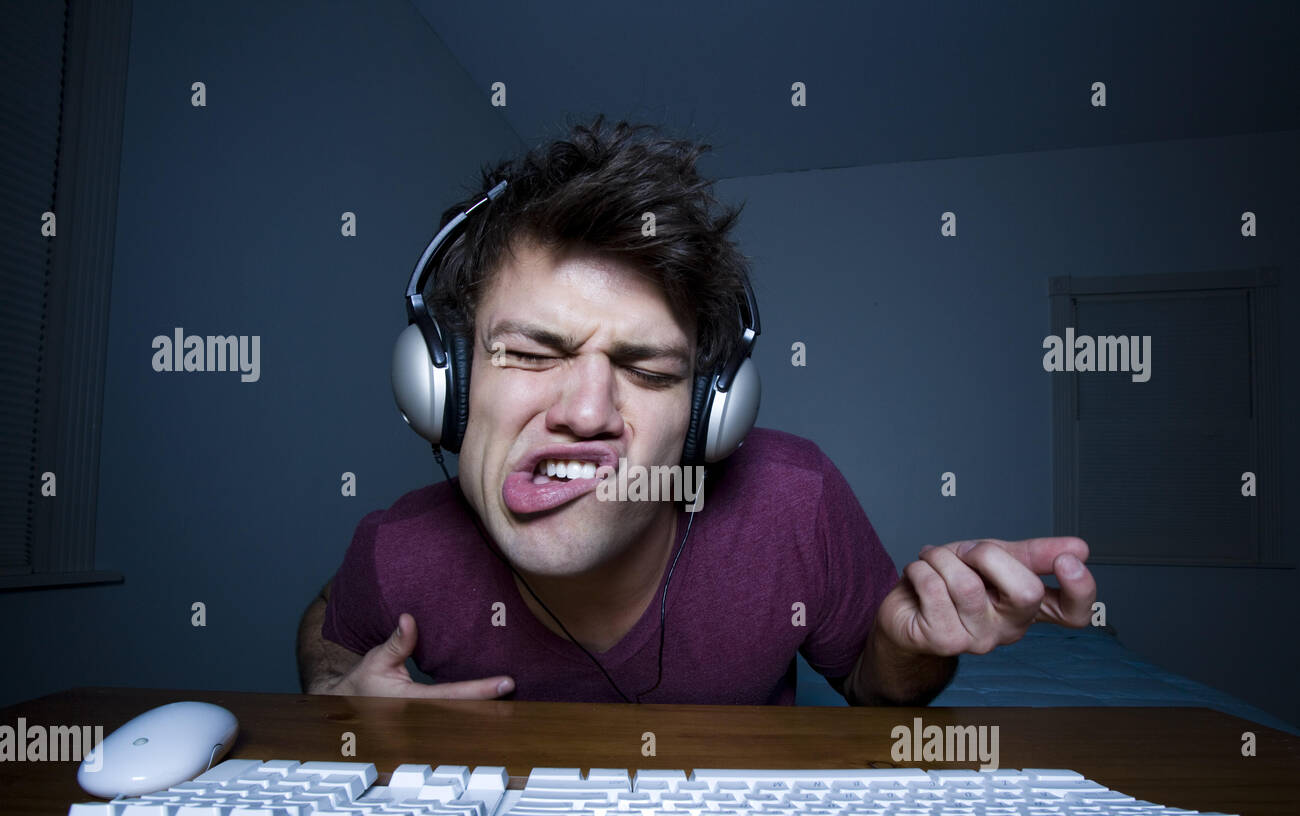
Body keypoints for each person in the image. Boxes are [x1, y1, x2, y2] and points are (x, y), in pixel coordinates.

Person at [295, 117, 1096, 705]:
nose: (587, 410)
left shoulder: (794, 503)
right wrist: (339, 690)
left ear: (711, 417)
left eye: (646, 369)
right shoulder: (403, 548)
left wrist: (909, 648)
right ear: (443, 387)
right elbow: (329, 623)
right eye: (535, 352)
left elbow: (876, 689)